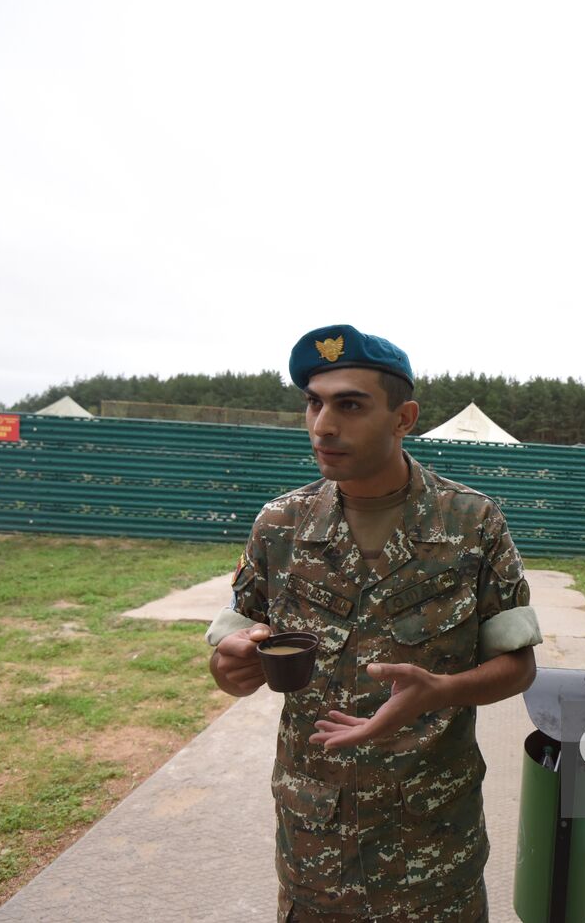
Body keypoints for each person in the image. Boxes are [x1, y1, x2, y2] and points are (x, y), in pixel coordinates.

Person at [206, 324, 541, 922]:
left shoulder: (472, 522)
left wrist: (444, 691)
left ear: (402, 417)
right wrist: (232, 665)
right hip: (316, 843)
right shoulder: (280, 524)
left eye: (350, 405)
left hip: (432, 842)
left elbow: (518, 666)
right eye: (314, 402)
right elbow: (231, 656)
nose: (323, 425)